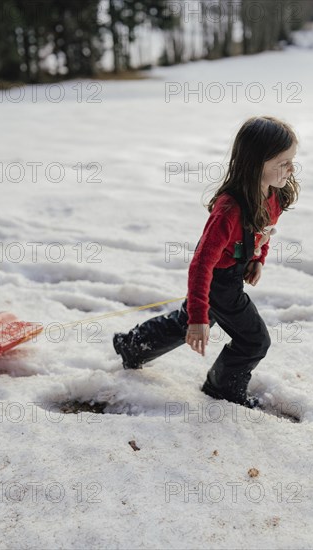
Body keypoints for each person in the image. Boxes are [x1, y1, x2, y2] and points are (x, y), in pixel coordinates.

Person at [113, 115, 300, 408]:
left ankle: (133, 346)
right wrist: (199, 317)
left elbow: (263, 232)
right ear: (257, 162)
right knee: (254, 341)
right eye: (283, 162)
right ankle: (222, 387)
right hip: (218, 282)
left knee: (182, 323)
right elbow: (201, 265)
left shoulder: (273, 194)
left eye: (293, 160)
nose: (291, 168)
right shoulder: (229, 211)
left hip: (233, 273)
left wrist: (257, 259)